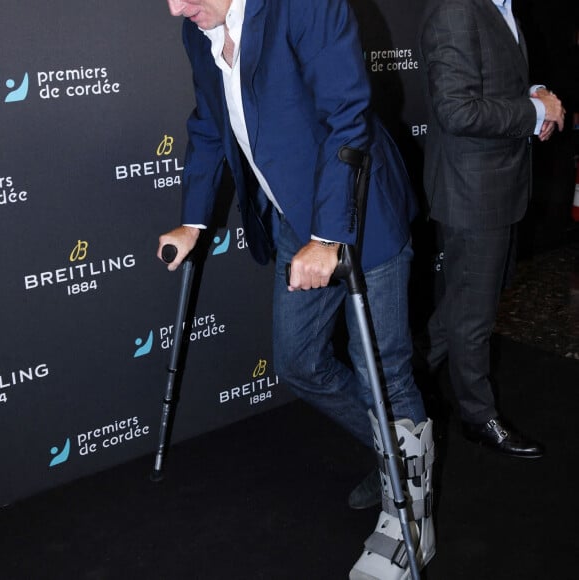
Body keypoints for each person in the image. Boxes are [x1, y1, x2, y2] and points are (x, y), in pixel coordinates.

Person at [159, 1, 435, 577]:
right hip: (292, 222)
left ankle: (411, 522)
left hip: (359, 216)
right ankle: (400, 460)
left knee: (382, 369)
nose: (175, 8)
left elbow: (348, 116)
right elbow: (210, 124)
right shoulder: (199, 29)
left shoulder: (305, 6)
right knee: (299, 361)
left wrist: (329, 234)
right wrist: (193, 218)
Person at [417, 0, 565, 457]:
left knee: (466, 301)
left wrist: (534, 92)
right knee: (473, 316)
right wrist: (534, 112)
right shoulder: (455, 10)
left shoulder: (501, 7)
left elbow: (498, 79)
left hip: (497, 185)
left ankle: (407, 378)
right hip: (471, 192)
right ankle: (478, 417)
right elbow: (457, 111)